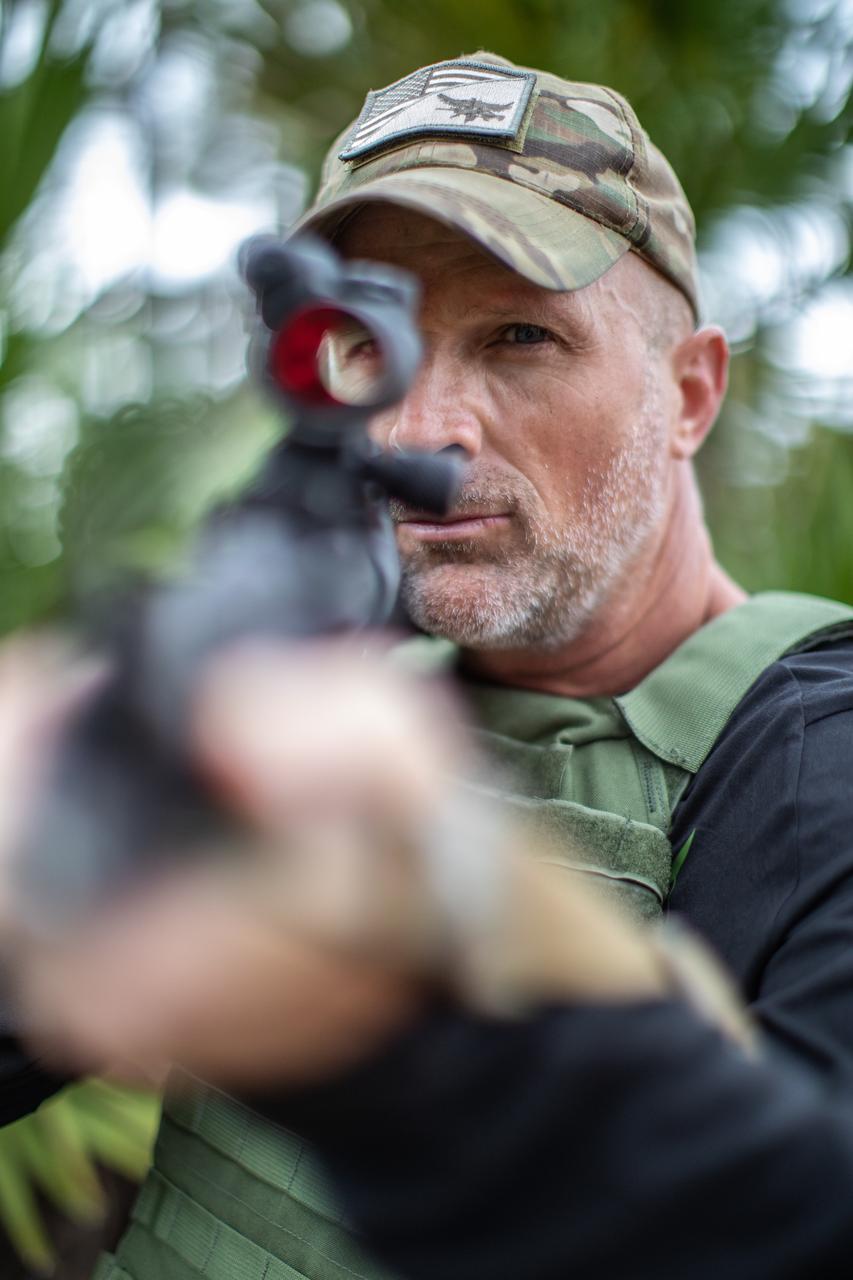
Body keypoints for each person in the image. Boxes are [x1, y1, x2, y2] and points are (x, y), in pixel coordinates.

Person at [6, 49, 853, 1279]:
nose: (417, 428)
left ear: (688, 394)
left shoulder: (809, 765)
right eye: (372, 341)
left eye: (518, 334)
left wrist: (398, 1012)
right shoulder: (319, 668)